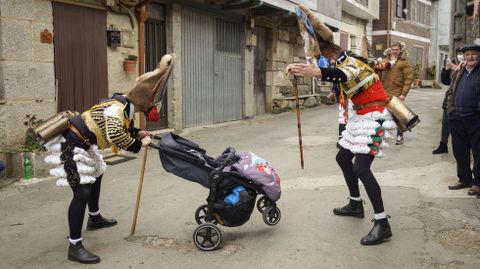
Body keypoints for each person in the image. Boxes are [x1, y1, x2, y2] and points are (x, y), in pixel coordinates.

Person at [44, 53, 175, 264]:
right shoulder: (117, 108)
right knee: (82, 191)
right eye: (151, 104)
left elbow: (121, 126)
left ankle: (94, 218)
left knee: (97, 173)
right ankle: (74, 245)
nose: (152, 107)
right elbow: (115, 133)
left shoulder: (124, 105)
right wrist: (137, 144)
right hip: (72, 144)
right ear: (143, 103)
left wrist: (137, 132)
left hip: (84, 142)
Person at [287, 5, 397, 245]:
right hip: (359, 117)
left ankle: (382, 223)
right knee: (343, 158)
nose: (320, 62)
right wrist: (301, 70)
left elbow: (343, 75)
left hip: (376, 116)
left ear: (328, 53)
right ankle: (355, 204)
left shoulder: (351, 63)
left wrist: (317, 73)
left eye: (321, 58)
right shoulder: (340, 62)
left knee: (361, 168)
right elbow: (334, 76)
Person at [444, 42, 480, 197]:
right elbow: (451, 90)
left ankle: (478, 183)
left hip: (476, 118)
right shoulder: (460, 70)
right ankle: (464, 178)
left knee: (478, 152)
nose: (470, 57)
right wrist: (451, 110)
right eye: (467, 54)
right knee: (460, 151)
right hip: (457, 117)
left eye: (473, 54)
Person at [377, 42, 414, 145]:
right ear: (390, 49)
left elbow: (408, 79)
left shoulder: (404, 62)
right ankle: (381, 135)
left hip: (397, 93)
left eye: (397, 49)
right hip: (384, 92)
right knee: (381, 115)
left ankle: (399, 136)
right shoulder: (385, 61)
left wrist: (403, 94)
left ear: (400, 50)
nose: (395, 51)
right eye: (393, 49)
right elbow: (378, 76)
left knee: (398, 116)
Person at [434, 47, 464, 154]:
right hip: (449, 97)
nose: (460, 55)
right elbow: (445, 81)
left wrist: (456, 68)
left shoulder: (468, 65)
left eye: (462, 53)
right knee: (445, 122)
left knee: (460, 125)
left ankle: (462, 148)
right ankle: (443, 145)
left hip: (462, 99)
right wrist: (445, 70)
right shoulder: (453, 63)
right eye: (458, 53)